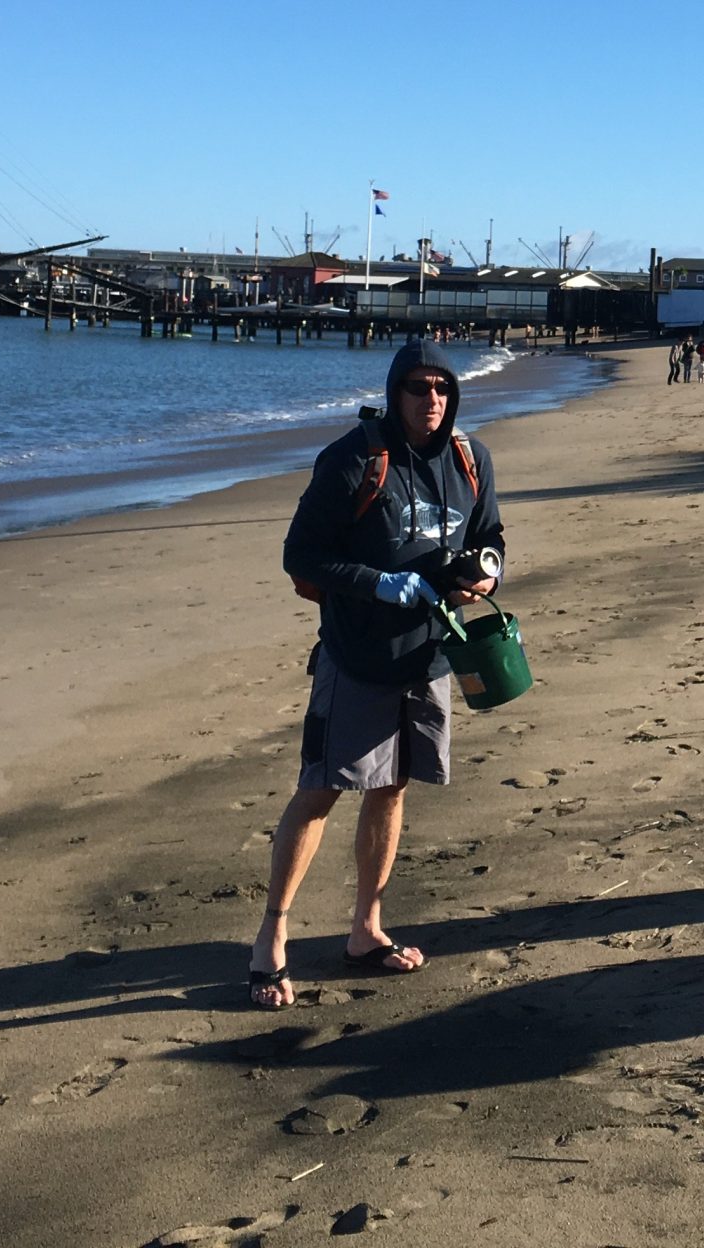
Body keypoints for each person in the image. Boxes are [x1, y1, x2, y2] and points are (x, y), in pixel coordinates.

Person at [250, 340, 505, 1004]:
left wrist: (486, 571)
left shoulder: (470, 459)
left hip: (429, 657)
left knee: (392, 788)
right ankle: (271, 937)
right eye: (418, 389)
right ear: (395, 392)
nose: (431, 401)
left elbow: (490, 534)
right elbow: (301, 555)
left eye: (442, 389)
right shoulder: (356, 459)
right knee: (321, 791)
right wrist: (381, 584)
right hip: (357, 656)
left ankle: (366, 929)